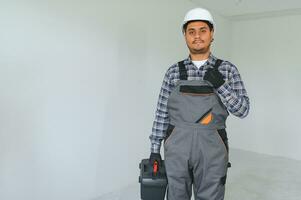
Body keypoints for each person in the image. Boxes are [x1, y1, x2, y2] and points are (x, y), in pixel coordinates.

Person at [148, 7, 250, 200]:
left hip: (212, 146)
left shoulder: (227, 70)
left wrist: (221, 85)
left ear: (212, 34)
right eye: (191, 31)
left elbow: (243, 110)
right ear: (185, 35)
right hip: (177, 147)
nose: (197, 36)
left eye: (203, 30)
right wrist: (154, 149)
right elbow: (161, 113)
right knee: (176, 195)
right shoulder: (173, 72)